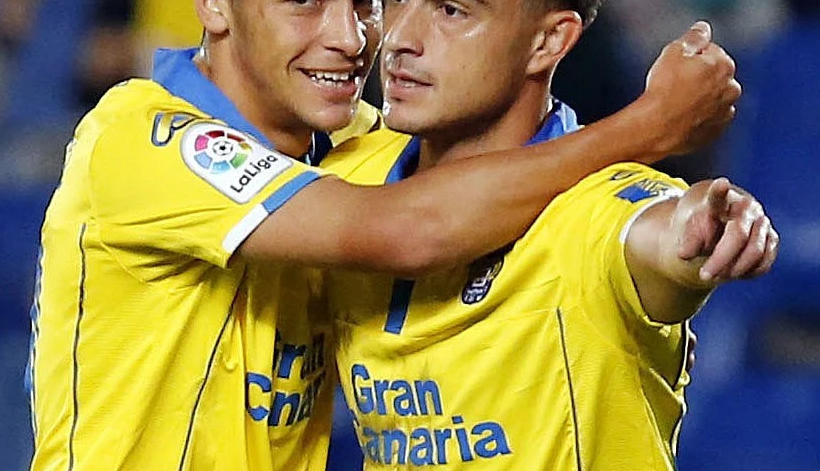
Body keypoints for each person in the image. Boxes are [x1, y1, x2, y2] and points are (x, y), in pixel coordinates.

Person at [26, 0, 741, 469]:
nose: (356, 39)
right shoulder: (141, 139)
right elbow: (408, 227)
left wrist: (696, 225)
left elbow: (632, 225)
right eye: (306, 0)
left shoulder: (364, 154)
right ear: (213, 5)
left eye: (367, 2)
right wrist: (647, 127)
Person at [324, 2, 777, 470]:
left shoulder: (595, 207)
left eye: (452, 11)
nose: (400, 38)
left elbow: (659, 234)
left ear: (549, 42)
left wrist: (704, 225)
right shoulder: (349, 171)